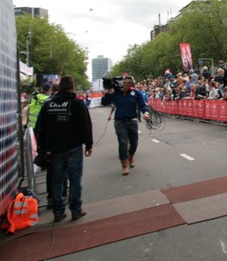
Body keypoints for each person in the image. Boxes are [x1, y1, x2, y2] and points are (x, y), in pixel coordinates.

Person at [35, 75, 93, 222]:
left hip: (54, 148)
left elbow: (40, 128)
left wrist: (42, 147)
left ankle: (58, 211)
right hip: (73, 146)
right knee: (74, 179)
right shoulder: (77, 104)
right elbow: (85, 125)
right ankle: (76, 210)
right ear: (72, 87)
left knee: (56, 180)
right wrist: (88, 144)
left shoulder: (48, 105)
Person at [100, 76, 150, 175]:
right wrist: (108, 91)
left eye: (129, 83)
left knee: (134, 143)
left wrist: (146, 113)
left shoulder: (136, 93)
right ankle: (124, 164)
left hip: (132, 121)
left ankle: (130, 157)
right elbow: (104, 102)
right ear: (122, 83)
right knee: (123, 143)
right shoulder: (115, 93)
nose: (127, 85)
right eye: (125, 83)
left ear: (131, 84)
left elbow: (142, 105)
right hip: (119, 122)